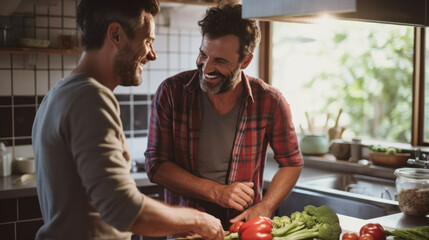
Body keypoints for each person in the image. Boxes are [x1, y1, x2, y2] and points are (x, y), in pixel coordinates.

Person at [31, 0, 224, 239]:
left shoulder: (59, 94)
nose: (152, 55)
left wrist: (183, 221)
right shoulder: (90, 97)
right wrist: (199, 219)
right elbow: (124, 209)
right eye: (147, 42)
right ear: (116, 35)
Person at [145, 3, 304, 230]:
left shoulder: (270, 101)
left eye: (220, 61)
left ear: (245, 61)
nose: (206, 67)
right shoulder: (171, 92)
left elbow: (292, 162)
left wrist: (266, 206)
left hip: (243, 230)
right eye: (203, 54)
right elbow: (155, 164)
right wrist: (216, 192)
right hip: (187, 231)